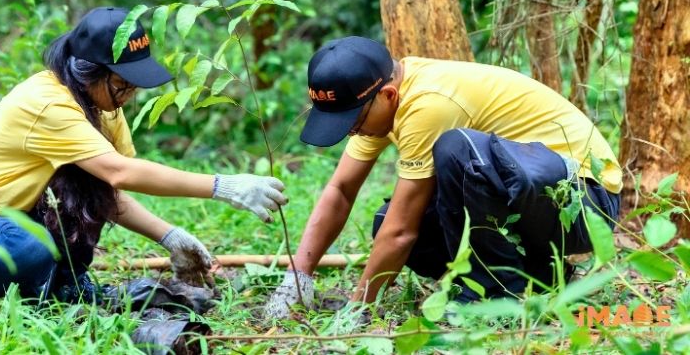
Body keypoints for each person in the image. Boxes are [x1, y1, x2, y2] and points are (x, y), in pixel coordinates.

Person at [0, 6, 287, 341]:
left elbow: (109, 193)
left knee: (83, 189)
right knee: (29, 244)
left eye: (134, 87)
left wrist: (171, 237)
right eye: (122, 85)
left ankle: (64, 283)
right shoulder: (48, 103)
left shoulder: (103, 107)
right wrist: (222, 186)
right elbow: (120, 172)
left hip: (20, 225)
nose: (129, 96)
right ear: (88, 72)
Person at [266, 36, 621, 318]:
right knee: (392, 224)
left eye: (352, 122)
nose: (350, 132)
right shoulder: (379, 103)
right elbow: (341, 190)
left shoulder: (428, 103)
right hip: (534, 198)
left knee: (457, 151)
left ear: (387, 95)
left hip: (586, 204)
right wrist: (297, 278)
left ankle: (493, 297)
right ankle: (541, 278)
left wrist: (358, 310)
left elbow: (400, 232)